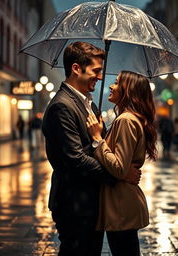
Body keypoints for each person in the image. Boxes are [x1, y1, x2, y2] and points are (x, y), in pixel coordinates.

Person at [42, 42, 140, 256]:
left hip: (90, 202)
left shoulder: (88, 104)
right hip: (75, 204)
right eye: (96, 71)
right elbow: (76, 160)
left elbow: (99, 145)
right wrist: (120, 174)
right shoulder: (62, 106)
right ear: (76, 68)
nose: (99, 76)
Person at [86, 71, 158, 256]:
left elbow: (119, 167)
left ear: (128, 91)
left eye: (117, 83)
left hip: (121, 205)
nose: (111, 85)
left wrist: (97, 140)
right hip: (121, 203)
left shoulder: (126, 120)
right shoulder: (128, 118)